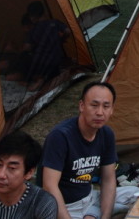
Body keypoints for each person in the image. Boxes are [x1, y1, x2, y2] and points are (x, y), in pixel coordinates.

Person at [42, 82, 118, 219]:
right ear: (82, 106)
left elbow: (108, 179)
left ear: (112, 109)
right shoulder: (60, 136)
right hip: (64, 206)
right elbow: (49, 186)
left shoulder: (107, 134)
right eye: (94, 105)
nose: (100, 112)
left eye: (106, 106)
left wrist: (105, 217)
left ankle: (92, 214)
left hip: (89, 198)